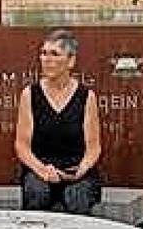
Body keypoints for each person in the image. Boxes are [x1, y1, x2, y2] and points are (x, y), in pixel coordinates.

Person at [14, 29, 101, 214]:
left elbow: (94, 148)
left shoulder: (86, 97)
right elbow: (22, 146)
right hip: (41, 169)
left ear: (71, 61)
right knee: (37, 193)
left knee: (77, 197)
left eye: (54, 54)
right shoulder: (30, 94)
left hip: (77, 171)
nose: (47, 59)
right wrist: (42, 170)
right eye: (43, 53)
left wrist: (81, 170)